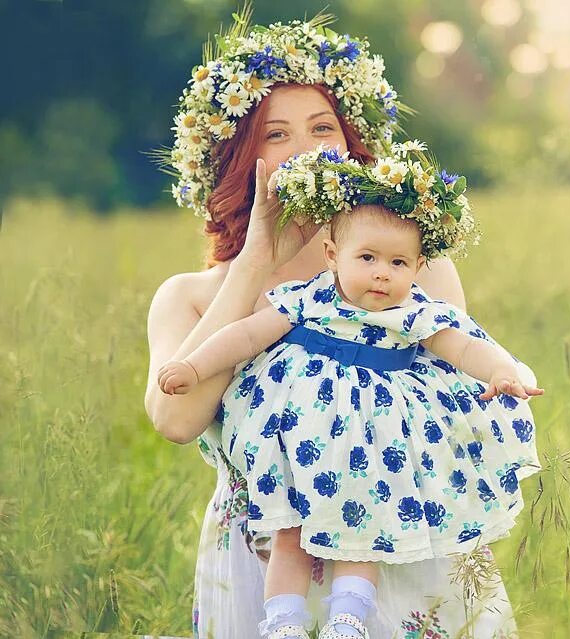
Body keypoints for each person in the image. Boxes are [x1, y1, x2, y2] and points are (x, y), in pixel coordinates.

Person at [144, 13, 532, 639]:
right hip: (267, 557)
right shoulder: (190, 295)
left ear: (351, 146)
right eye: (276, 134)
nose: (305, 148)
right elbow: (176, 420)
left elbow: (449, 382)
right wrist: (255, 261)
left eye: (323, 127)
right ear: (243, 160)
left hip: (393, 537)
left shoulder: (409, 274)